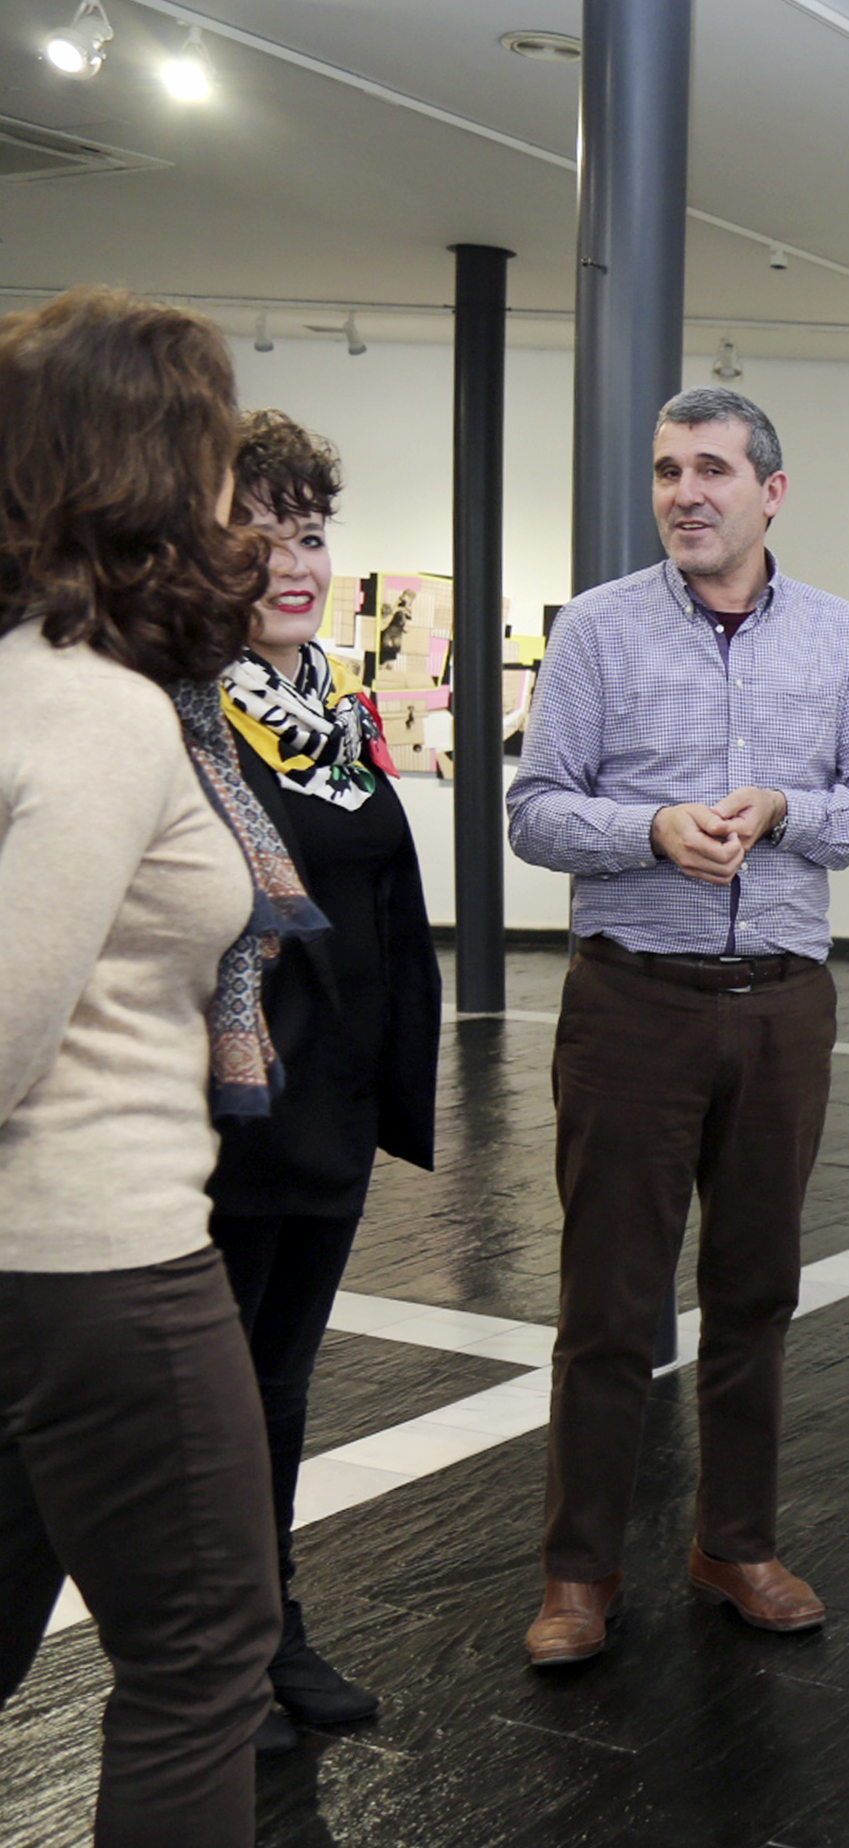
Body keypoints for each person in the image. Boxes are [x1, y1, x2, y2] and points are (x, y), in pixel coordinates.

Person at [505, 386, 849, 1668]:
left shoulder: (840, 637)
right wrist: (649, 831)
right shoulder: (597, 630)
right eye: (668, 470)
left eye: (713, 471)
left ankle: (735, 1545)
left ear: (770, 492)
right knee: (608, 1306)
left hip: (783, 1009)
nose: (685, 493)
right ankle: (580, 1574)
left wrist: (785, 809)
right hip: (631, 1004)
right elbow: (534, 811)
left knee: (755, 1294)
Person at [0, 287, 319, 1846]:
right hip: (100, 1264)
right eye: (209, 453)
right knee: (202, 1668)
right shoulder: (100, 715)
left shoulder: (24, 676)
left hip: (36, 1278)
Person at [205, 412, 440, 1747]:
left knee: (280, 1387)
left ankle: (273, 1628)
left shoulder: (333, 714)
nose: (291, 565)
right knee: (213, 1401)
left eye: (307, 534)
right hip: (236, 1112)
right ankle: (212, 1660)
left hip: (332, 1109)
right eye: (256, 536)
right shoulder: (191, 710)